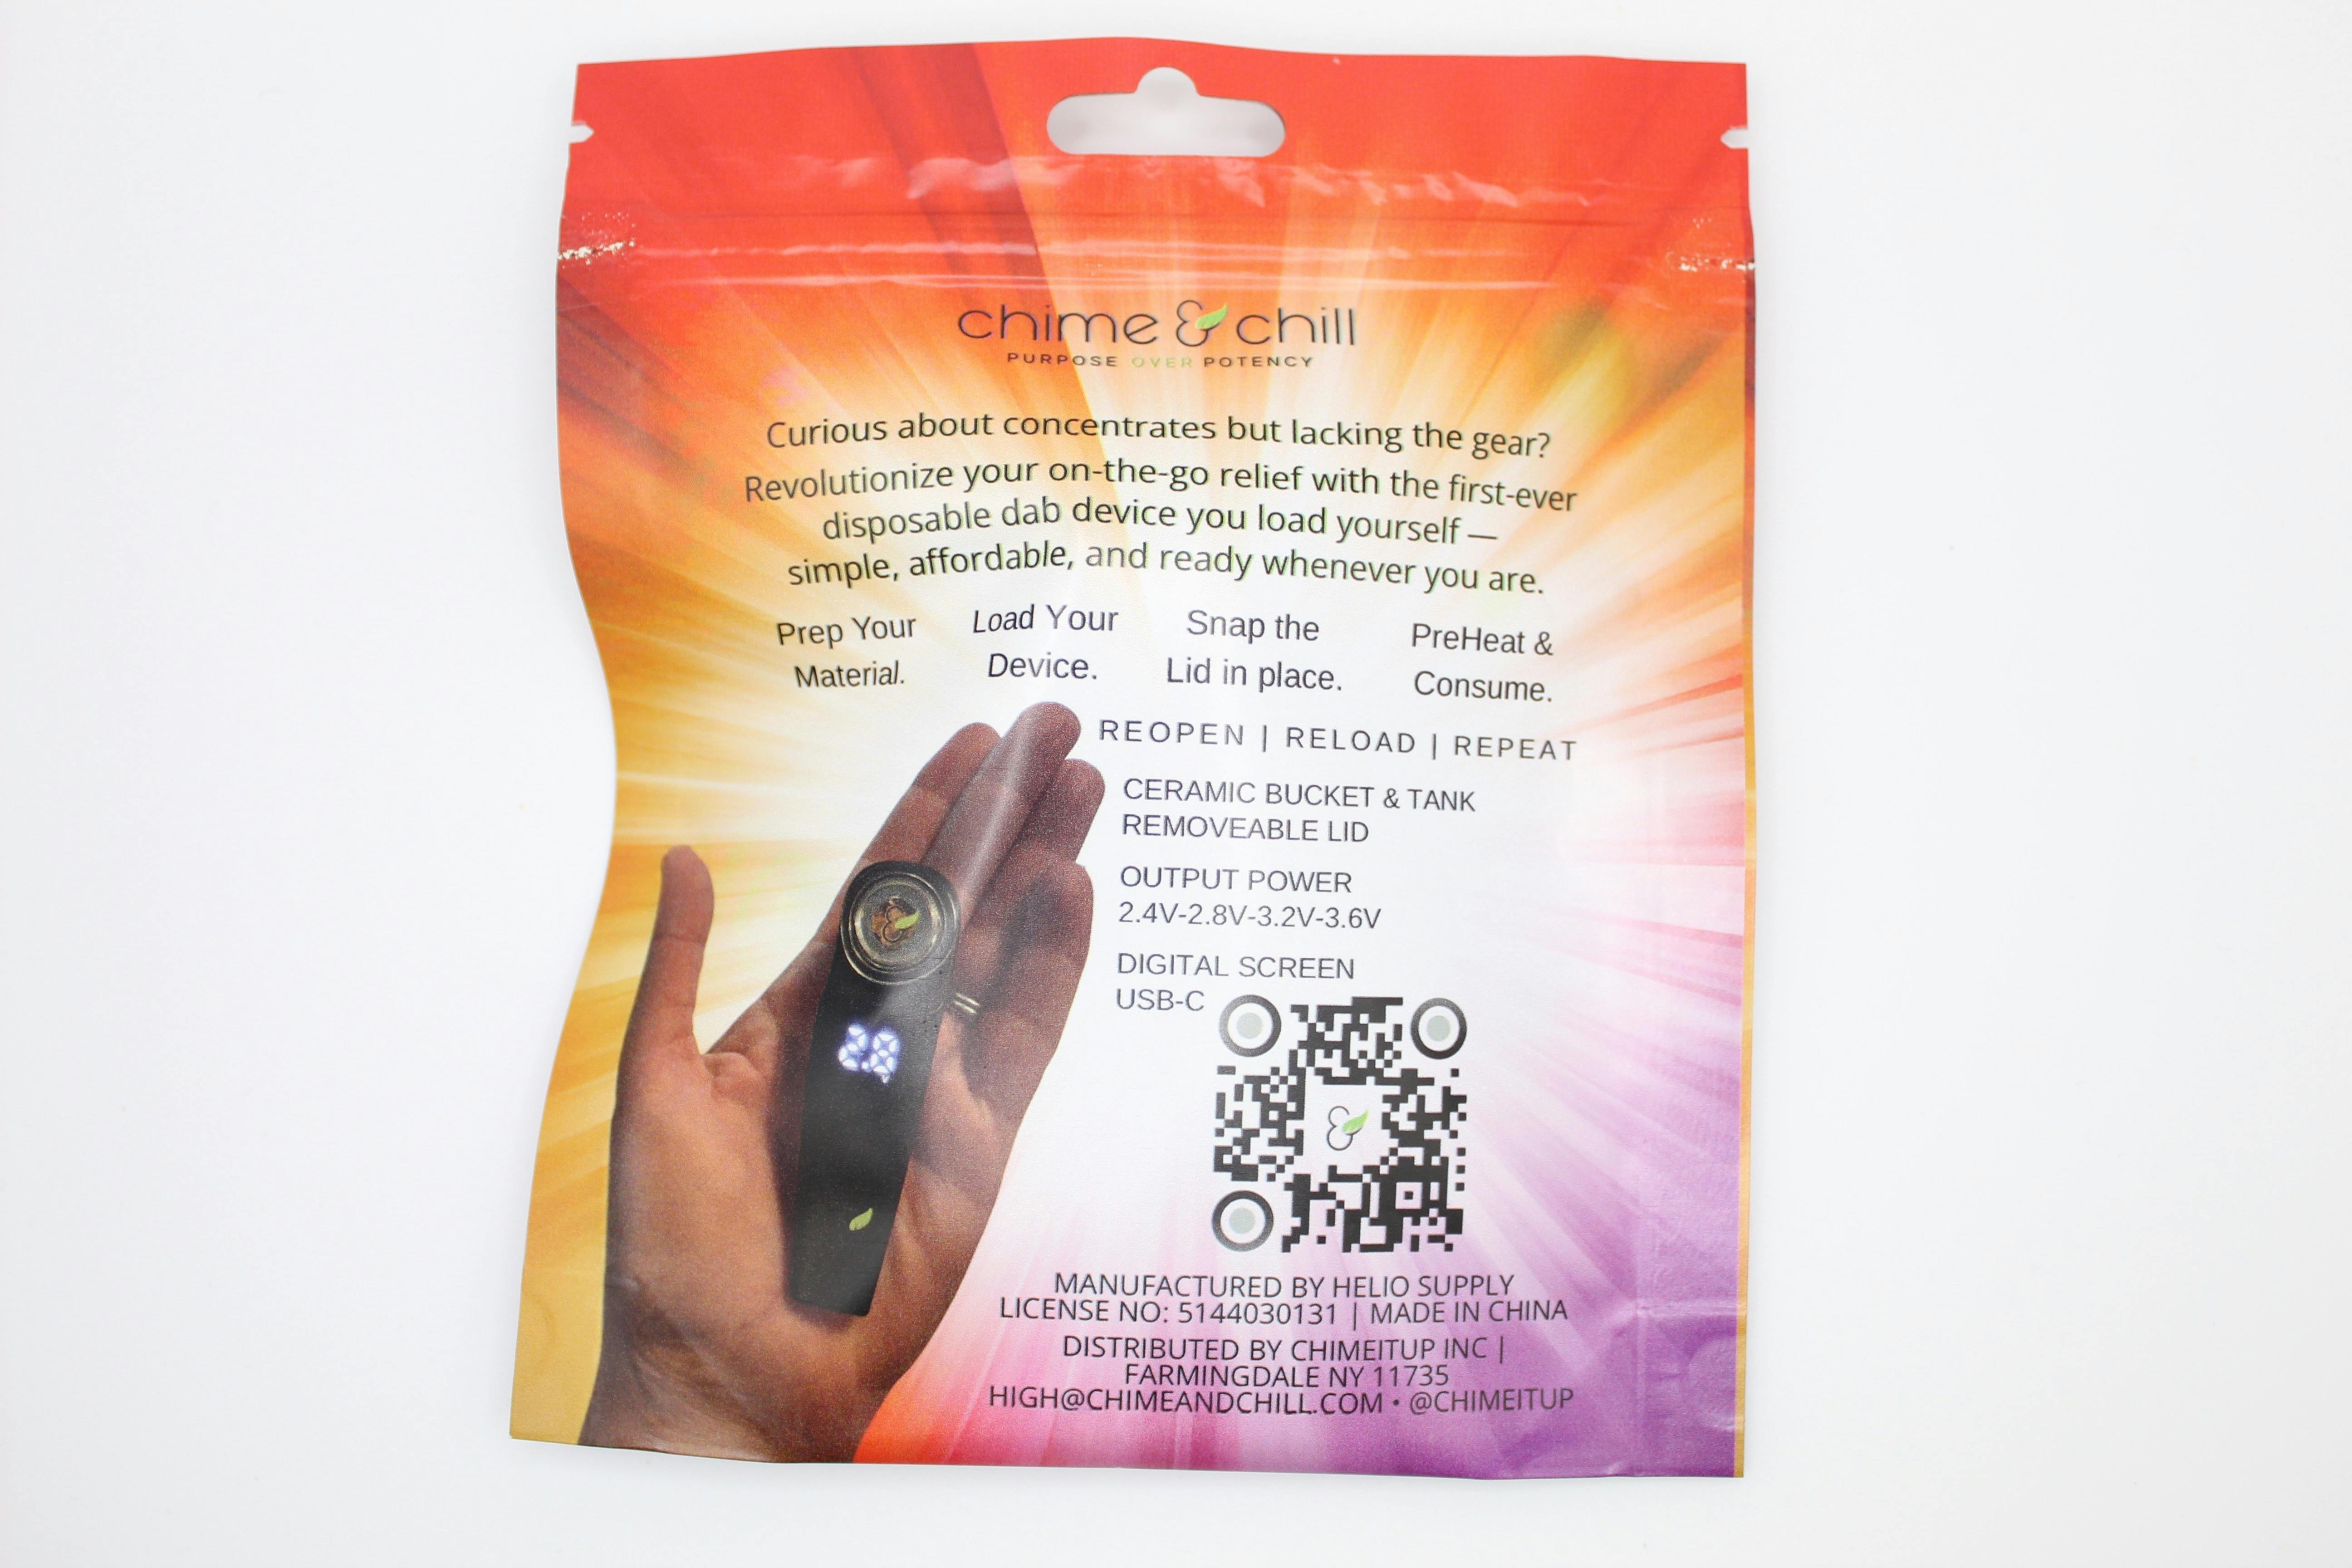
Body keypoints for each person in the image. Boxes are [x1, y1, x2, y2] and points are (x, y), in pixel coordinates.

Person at [580, 702, 1101, 1460]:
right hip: (860, 1070)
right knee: (869, 1065)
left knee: (873, 1065)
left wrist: (712, 1420)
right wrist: (700, 1404)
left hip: (878, 1072)